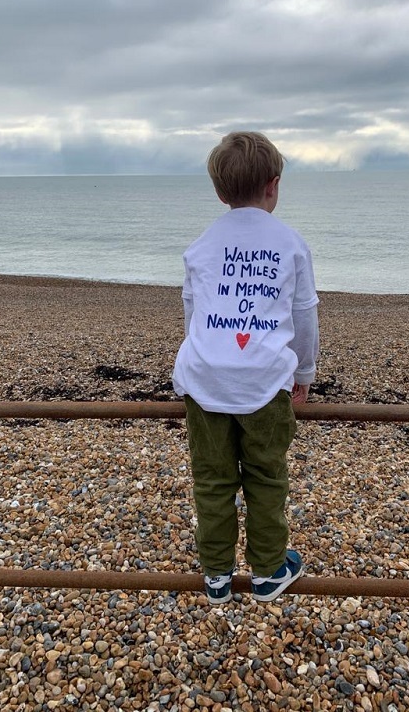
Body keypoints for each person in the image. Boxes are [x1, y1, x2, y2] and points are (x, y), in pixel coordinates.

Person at [172, 131, 319, 604]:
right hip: (263, 382)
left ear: (219, 192)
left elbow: (193, 316)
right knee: (265, 476)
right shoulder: (291, 244)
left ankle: (216, 575)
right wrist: (304, 375)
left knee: (212, 480)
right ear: (274, 184)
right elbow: (303, 319)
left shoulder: (200, 246)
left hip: (203, 381)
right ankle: (269, 571)